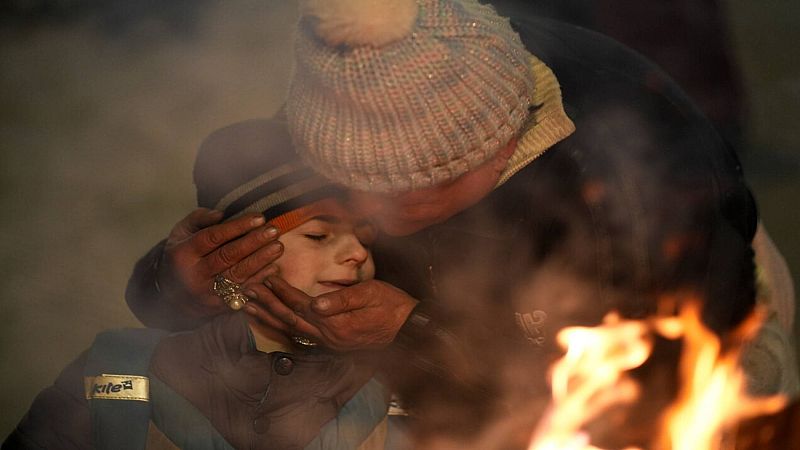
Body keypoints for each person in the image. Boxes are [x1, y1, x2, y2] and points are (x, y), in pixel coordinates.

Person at [125, 0, 798, 447]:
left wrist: (414, 332)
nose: (366, 217)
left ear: (496, 148)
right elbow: (200, 312)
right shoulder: (347, 98)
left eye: (403, 195)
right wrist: (184, 284)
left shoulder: (639, 182)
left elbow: (663, 395)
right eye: (347, 182)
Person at [4, 117, 399, 450]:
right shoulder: (116, 370)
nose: (359, 254)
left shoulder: (392, 392)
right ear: (234, 248)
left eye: (366, 238)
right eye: (318, 236)